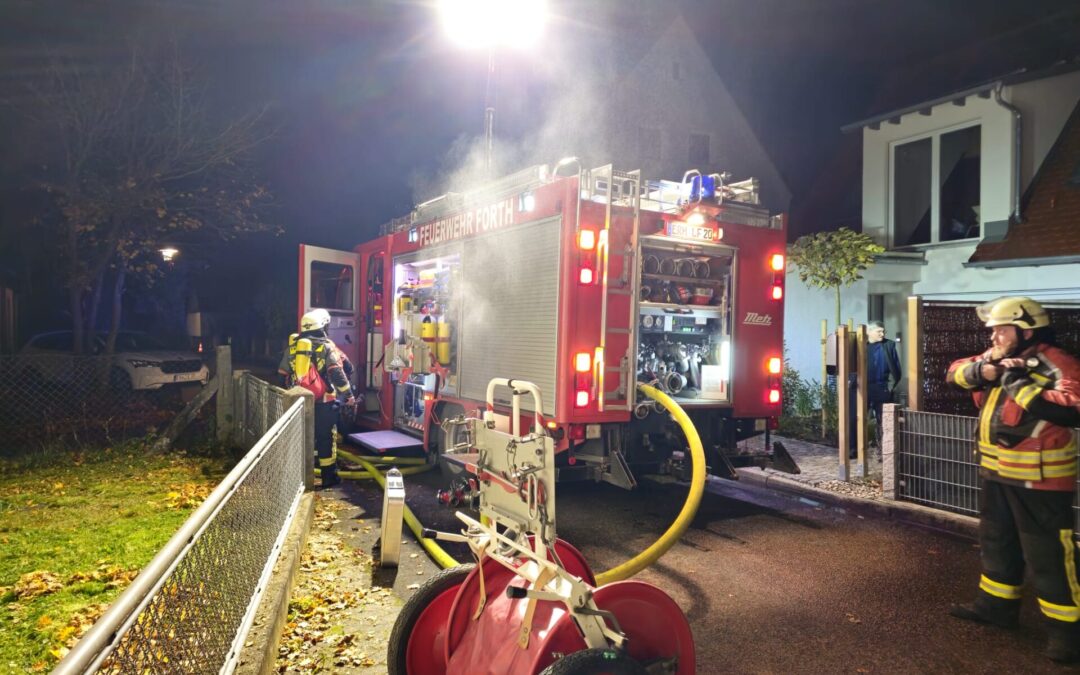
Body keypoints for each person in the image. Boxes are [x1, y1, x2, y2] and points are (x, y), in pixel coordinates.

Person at [945, 296, 1080, 664]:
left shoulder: (1057, 362)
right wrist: (984, 371)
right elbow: (953, 373)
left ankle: (1068, 633)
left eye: (1001, 330)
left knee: (1049, 554)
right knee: (997, 543)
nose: (994, 337)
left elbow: (1071, 408)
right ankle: (996, 607)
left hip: (1040, 479)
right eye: (992, 331)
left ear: (1027, 331)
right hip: (997, 472)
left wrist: (1018, 383)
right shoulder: (997, 357)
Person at [278, 309, 355, 488]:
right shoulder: (326, 347)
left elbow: (282, 374)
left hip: (298, 402)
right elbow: (337, 372)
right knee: (325, 438)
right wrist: (348, 395)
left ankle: (298, 478)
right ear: (323, 326)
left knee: (301, 437)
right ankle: (328, 477)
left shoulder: (293, 347)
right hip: (324, 402)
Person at [848, 321, 902, 458]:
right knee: (855, 419)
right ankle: (854, 449)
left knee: (883, 421)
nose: (882, 334)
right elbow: (850, 365)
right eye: (879, 331)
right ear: (869, 332)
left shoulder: (888, 345)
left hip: (881, 388)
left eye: (883, 331)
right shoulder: (859, 346)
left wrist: (889, 387)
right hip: (861, 388)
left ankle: (884, 453)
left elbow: (896, 369)